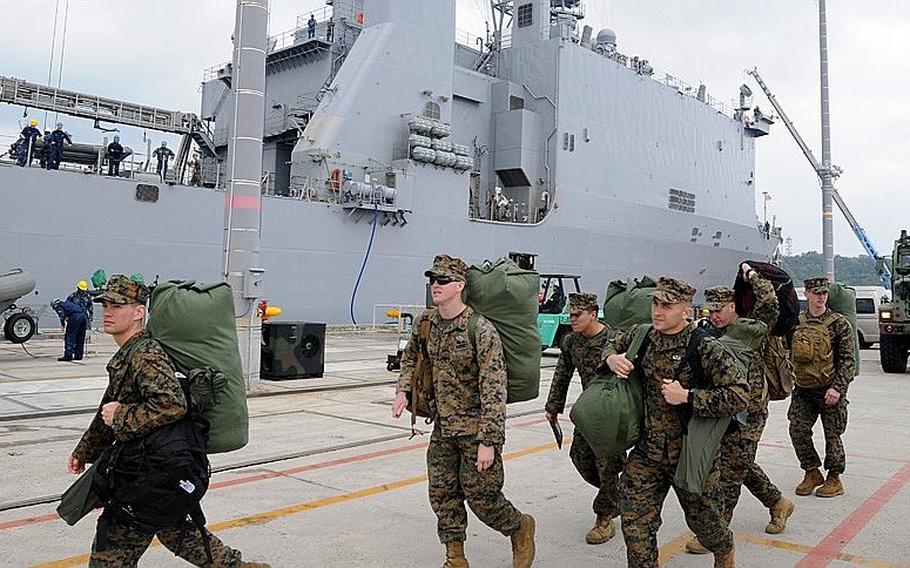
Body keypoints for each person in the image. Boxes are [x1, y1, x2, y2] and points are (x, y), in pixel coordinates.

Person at [66, 275, 269, 567]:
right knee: (178, 532)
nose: (107, 311)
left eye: (117, 305)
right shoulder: (130, 354)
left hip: (148, 472)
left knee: (110, 555)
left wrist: (121, 415)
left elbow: (171, 405)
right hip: (156, 470)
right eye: (105, 304)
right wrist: (85, 450)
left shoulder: (145, 355)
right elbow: (107, 408)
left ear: (139, 312)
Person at [392, 255, 536, 568]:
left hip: (475, 431)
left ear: (460, 285)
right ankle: (455, 557)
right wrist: (403, 389)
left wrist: (489, 441)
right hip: (443, 428)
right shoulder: (426, 323)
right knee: (442, 494)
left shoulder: (480, 330)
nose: (435, 285)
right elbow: (410, 358)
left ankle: (519, 527)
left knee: (483, 499)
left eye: (443, 280)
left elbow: (495, 389)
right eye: (432, 279)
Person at [603, 276, 748, 568]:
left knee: (704, 524)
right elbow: (609, 341)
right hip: (647, 452)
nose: (657, 311)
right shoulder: (642, 335)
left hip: (689, 453)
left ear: (686, 311)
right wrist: (611, 358)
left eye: (667, 305)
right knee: (635, 524)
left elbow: (740, 395)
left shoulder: (705, 347)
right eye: (655, 302)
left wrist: (688, 397)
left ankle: (724, 547)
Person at [685, 265, 795, 556]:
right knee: (737, 464)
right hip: (721, 409)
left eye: (720, 309)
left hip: (750, 412)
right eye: (710, 309)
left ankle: (717, 532)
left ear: (734, 306)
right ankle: (777, 502)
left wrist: (753, 276)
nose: (714, 314)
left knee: (731, 472)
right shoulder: (709, 331)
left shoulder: (753, 328)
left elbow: (770, 303)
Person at [545, 292, 624, 545]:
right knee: (579, 457)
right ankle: (618, 495)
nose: (572, 319)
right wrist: (553, 406)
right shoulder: (571, 342)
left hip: (612, 412)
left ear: (593, 313)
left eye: (577, 315)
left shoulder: (614, 340)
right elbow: (562, 373)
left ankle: (604, 518)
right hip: (589, 411)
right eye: (570, 314)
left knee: (606, 464)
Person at [789, 276, 856, 498]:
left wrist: (837, 388)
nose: (820, 297)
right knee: (797, 429)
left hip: (830, 389)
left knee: (832, 434)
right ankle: (811, 472)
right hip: (804, 388)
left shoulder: (839, 324)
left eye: (824, 293)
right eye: (816, 293)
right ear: (806, 294)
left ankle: (834, 478)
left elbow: (848, 360)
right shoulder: (797, 322)